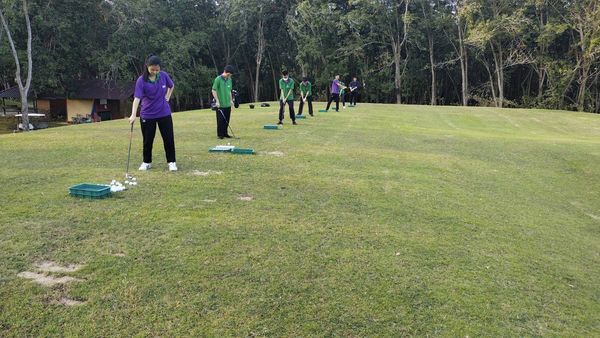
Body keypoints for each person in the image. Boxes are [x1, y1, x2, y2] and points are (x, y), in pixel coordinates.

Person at [129, 55, 177, 172]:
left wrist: (167, 97)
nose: (155, 72)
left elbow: (171, 86)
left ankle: (171, 162)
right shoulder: (141, 80)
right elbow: (137, 98)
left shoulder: (164, 76)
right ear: (147, 67)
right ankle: (147, 162)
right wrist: (133, 114)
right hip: (147, 115)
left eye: (157, 69)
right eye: (152, 69)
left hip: (164, 113)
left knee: (168, 138)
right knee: (148, 140)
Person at [211, 65, 235, 139]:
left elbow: (229, 91)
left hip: (227, 104)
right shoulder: (218, 79)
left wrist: (231, 100)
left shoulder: (229, 80)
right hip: (220, 105)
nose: (229, 76)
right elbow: (213, 90)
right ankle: (220, 135)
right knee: (220, 120)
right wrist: (217, 101)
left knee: (227, 120)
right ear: (226, 73)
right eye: (229, 75)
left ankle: (225, 133)